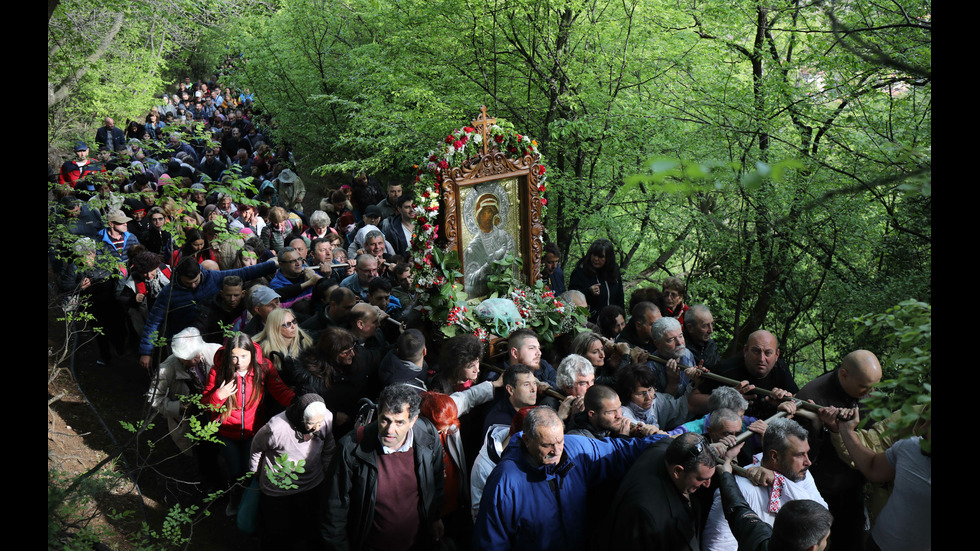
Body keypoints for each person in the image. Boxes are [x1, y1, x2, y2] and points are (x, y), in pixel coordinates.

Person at [473, 406, 669, 551]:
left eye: (560, 441)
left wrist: (666, 441)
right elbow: (490, 544)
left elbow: (620, 451)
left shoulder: (575, 448)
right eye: (547, 445)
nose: (556, 451)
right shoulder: (505, 483)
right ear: (527, 440)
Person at [321, 383, 446, 551]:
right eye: (385, 420)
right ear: (378, 413)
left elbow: (436, 480)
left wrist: (435, 516)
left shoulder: (428, 438)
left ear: (413, 421)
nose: (389, 430)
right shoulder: (350, 448)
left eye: (399, 422)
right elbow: (334, 509)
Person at [795, 350, 883, 551]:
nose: (871, 393)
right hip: (820, 489)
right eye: (864, 387)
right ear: (844, 374)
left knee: (852, 543)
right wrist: (819, 427)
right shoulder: (812, 397)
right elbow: (801, 456)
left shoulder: (870, 391)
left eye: (875, 387)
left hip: (854, 484)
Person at [200, 332, 296, 514]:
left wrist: (301, 403)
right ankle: (235, 500)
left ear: (252, 353)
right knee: (235, 471)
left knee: (250, 470)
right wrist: (218, 397)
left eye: (244, 356)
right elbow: (204, 404)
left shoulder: (264, 368)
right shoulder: (218, 370)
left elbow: (281, 391)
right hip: (226, 432)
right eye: (234, 357)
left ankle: (248, 504)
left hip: (253, 431)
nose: (238, 361)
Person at [703, 418, 827, 551]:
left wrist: (780, 481)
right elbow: (718, 546)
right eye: (800, 455)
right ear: (774, 456)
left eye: (807, 453)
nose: (808, 462)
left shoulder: (801, 474)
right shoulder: (739, 488)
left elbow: (822, 517)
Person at [137, 255, 280, 372]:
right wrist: (146, 351)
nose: (193, 285)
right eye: (188, 283)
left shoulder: (213, 277)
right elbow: (154, 321)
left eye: (195, 281)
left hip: (210, 337)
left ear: (200, 272)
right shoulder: (168, 293)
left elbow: (244, 272)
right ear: (179, 277)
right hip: (182, 340)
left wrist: (273, 264)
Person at [818, 407, 930, 551]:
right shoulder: (911, 447)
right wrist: (845, 431)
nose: (921, 428)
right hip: (877, 544)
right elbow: (872, 466)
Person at [594, 432, 722, 550]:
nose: (707, 484)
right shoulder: (646, 513)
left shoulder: (664, 448)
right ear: (677, 471)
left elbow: (675, 439)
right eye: (701, 479)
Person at [249, 394, 336, 550]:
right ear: (300, 418)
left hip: (312, 485)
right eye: (311, 424)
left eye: (319, 422)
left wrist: (327, 472)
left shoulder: (326, 418)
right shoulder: (275, 428)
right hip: (278, 489)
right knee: (277, 531)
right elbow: (256, 448)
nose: (317, 427)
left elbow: (329, 447)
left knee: (305, 528)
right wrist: (254, 472)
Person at [714, 459, 834, 551]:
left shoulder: (757, 537)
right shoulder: (757, 534)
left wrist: (726, 475)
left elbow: (736, 508)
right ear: (812, 549)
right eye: (825, 539)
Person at [691, 329, 799, 421]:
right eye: (756, 351)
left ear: (777, 355)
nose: (761, 359)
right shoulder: (727, 370)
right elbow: (692, 402)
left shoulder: (780, 368)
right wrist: (727, 400)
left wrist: (785, 399)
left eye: (768, 353)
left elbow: (798, 399)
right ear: (745, 351)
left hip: (766, 431)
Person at [146, 326, 222, 455]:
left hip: (219, 410)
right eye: (186, 359)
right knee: (203, 453)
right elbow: (153, 397)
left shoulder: (216, 352)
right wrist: (178, 407)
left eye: (196, 356)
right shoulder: (166, 370)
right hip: (192, 418)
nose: (193, 361)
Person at [463, 192, 517, 298]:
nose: (490, 215)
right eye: (488, 211)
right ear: (479, 214)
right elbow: (469, 281)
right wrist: (488, 266)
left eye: (493, 212)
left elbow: (513, 268)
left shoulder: (504, 237)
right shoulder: (473, 247)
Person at [617, 362, 694, 433]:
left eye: (650, 390)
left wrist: (695, 383)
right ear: (627, 394)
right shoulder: (622, 413)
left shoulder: (657, 400)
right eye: (641, 393)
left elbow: (683, 407)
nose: (649, 397)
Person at [565, 384, 661, 440]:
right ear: (592, 414)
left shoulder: (606, 427)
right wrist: (623, 439)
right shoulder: (578, 438)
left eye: (619, 408)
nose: (619, 415)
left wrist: (637, 437)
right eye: (611, 412)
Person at [568, 238, 625, 321]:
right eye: (594, 255)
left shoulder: (614, 270)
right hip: (591, 323)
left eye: (600, 256)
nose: (596, 259)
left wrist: (622, 316)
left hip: (613, 322)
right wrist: (589, 292)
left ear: (608, 258)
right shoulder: (580, 271)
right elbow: (571, 297)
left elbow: (620, 296)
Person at [253, 307, 314, 377]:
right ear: (276, 328)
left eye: (294, 321)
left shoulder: (304, 340)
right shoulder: (265, 351)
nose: (293, 326)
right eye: (288, 324)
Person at [481, 365, 539, 435]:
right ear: (511, 390)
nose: (533, 389)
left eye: (534, 383)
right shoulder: (500, 422)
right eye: (526, 384)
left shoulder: (533, 411)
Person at [684, 304, 721, 369]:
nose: (711, 330)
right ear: (690, 328)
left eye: (712, 324)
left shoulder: (712, 346)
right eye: (705, 326)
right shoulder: (681, 349)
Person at [383, 193, 415, 258]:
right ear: (399, 209)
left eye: (414, 206)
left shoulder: (424, 224)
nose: (412, 210)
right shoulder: (392, 231)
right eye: (407, 207)